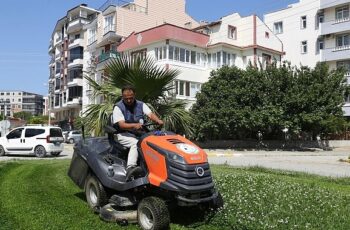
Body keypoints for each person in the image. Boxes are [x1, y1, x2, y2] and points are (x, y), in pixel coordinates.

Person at [112, 85, 163, 180]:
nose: (128, 100)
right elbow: (121, 125)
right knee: (136, 144)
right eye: (126, 98)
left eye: (130, 98)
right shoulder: (118, 107)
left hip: (138, 134)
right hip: (123, 134)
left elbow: (150, 114)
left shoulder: (141, 104)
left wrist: (158, 120)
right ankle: (130, 168)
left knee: (153, 142)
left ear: (134, 95)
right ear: (122, 96)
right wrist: (134, 125)